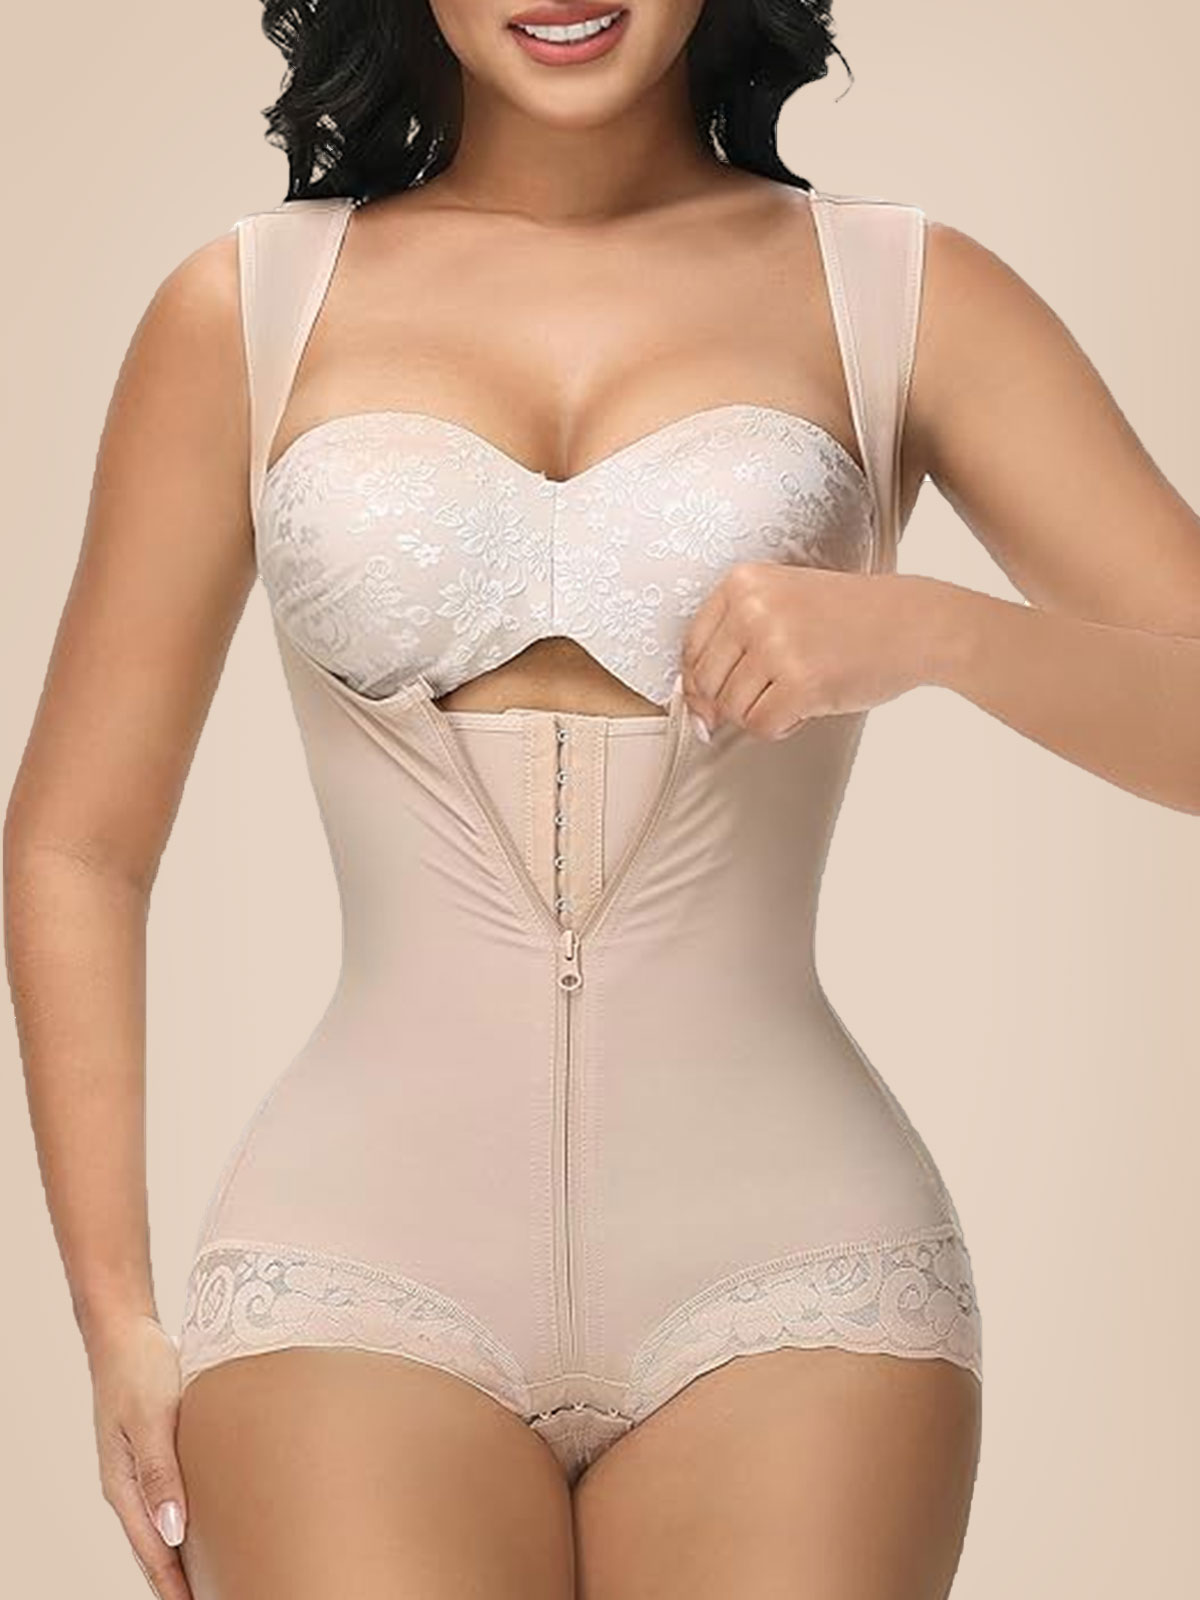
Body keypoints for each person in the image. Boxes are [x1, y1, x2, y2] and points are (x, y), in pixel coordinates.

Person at [7, 3, 1200, 1597]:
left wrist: (936, 633)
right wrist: (115, 1318)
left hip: (800, 1275)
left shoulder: (898, 292)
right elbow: (80, 842)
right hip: (353, 1265)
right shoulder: (246, 309)